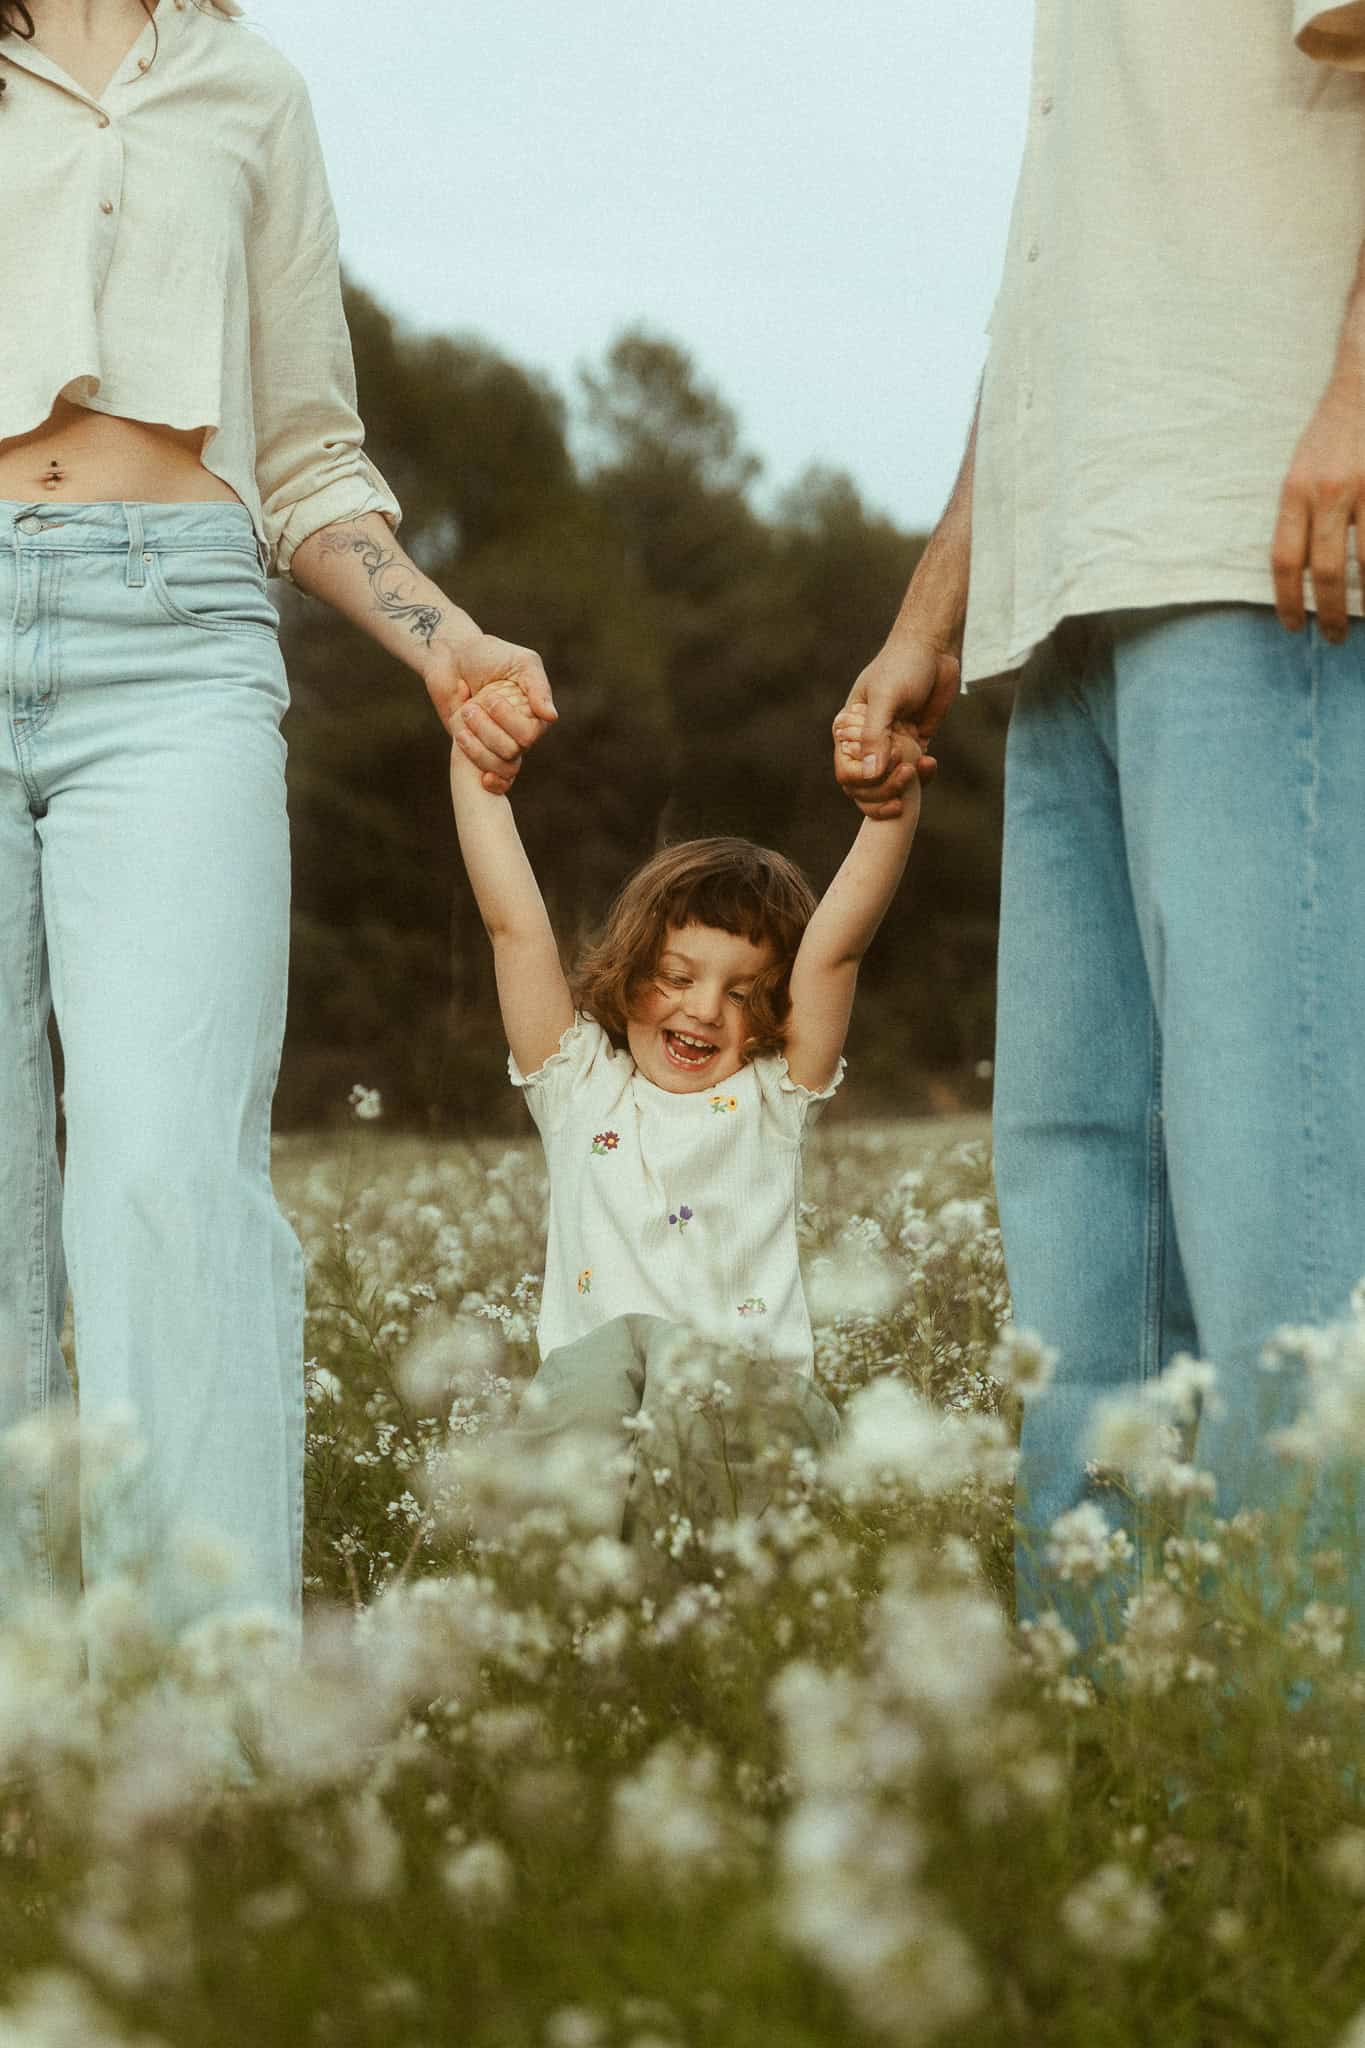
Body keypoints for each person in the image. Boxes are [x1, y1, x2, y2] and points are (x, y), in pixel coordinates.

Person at [0, 0, 553, 1676]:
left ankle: (209, 1744)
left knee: (169, 1174)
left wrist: (444, 634)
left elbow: (308, 445)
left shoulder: (251, 89)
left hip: (176, 650)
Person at [835, 3, 1365, 1645]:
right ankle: (1106, 1748)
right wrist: (936, 602)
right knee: (1083, 1204)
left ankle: (1298, 1773)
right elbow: (1066, 282)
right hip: (1066, 585)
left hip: (1256, 540)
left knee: (1282, 1198)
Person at [449, 686, 918, 1554]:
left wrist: (890, 808)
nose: (704, 1010)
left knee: (695, 1414)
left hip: (744, 1411)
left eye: (743, 993)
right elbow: (514, 929)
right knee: (593, 1396)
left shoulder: (771, 1099)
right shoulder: (579, 1087)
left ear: (772, 1008)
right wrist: (476, 773)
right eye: (675, 975)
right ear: (628, 971)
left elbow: (838, 947)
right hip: (598, 1413)